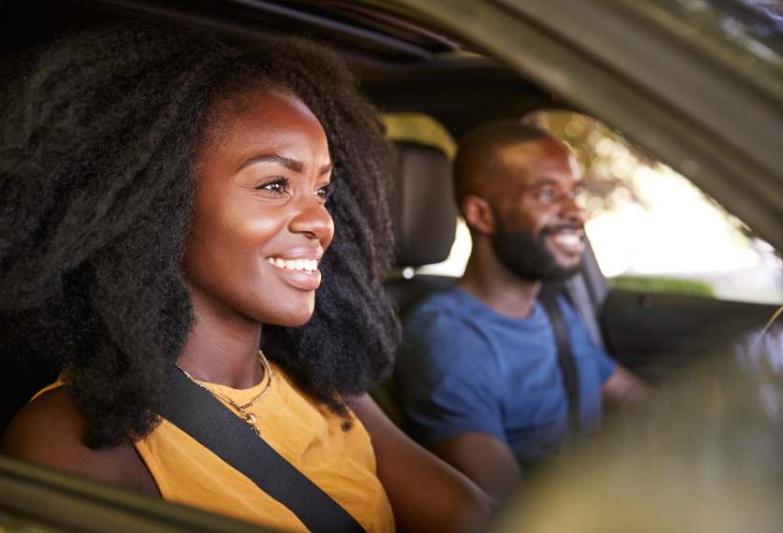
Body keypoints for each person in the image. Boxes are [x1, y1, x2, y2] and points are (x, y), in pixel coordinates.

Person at [0, 23, 489, 532]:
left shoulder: (325, 389)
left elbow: (476, 519)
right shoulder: (73, 440)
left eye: (321, 190)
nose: (322, 222)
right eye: (275, 185)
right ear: (159, 205)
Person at [395, 120, 649, 500]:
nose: (576, 212)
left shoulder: (551, 308)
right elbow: (509, 508)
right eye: (547, 195)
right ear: (482, 215)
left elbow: (631, 397)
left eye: (573, 193)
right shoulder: (449, 342)